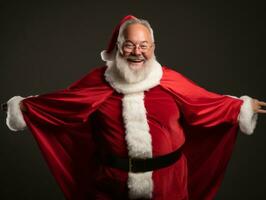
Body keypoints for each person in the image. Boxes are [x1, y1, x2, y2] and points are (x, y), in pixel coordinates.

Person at [3, 15, 266, 200]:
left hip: (169, 184)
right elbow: (63, 104)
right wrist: (26, 107)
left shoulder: (170, 80)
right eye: (129, 44)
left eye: (143, 45)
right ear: (118, 48)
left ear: (153, 48)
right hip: (110, 185)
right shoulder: (96, 82)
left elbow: (207, 104)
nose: (136, 51)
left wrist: (244, 107)